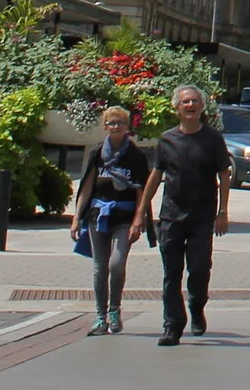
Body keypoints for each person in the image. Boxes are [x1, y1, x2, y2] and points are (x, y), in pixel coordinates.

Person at [133, 84, 230, 347]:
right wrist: (141, 212)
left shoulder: (213, 139)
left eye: (195, 101)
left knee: (199, 269)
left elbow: (224, 174)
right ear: (177, 108)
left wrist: (223, 211)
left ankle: (197, 306)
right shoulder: (167, 140)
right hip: (171, 217)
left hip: (202, 217)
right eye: (185, 102)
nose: (190, 106)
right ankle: (172, 325)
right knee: (171, 274)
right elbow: (156, 176)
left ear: (202, 107)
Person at [72, 104, 151, 336]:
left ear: (128, 127)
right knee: (99, 267)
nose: (116, 126)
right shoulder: (97, 153)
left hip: (125, 217)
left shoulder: (135, 155)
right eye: (112, 123)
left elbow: (141, 190)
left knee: (116, 264)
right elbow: (86, 186)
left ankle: (115, 310)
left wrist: (139, 219)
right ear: (105, 126)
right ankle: (100, 316)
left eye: (120, 123)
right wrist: (77, 217)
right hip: (98, 216)